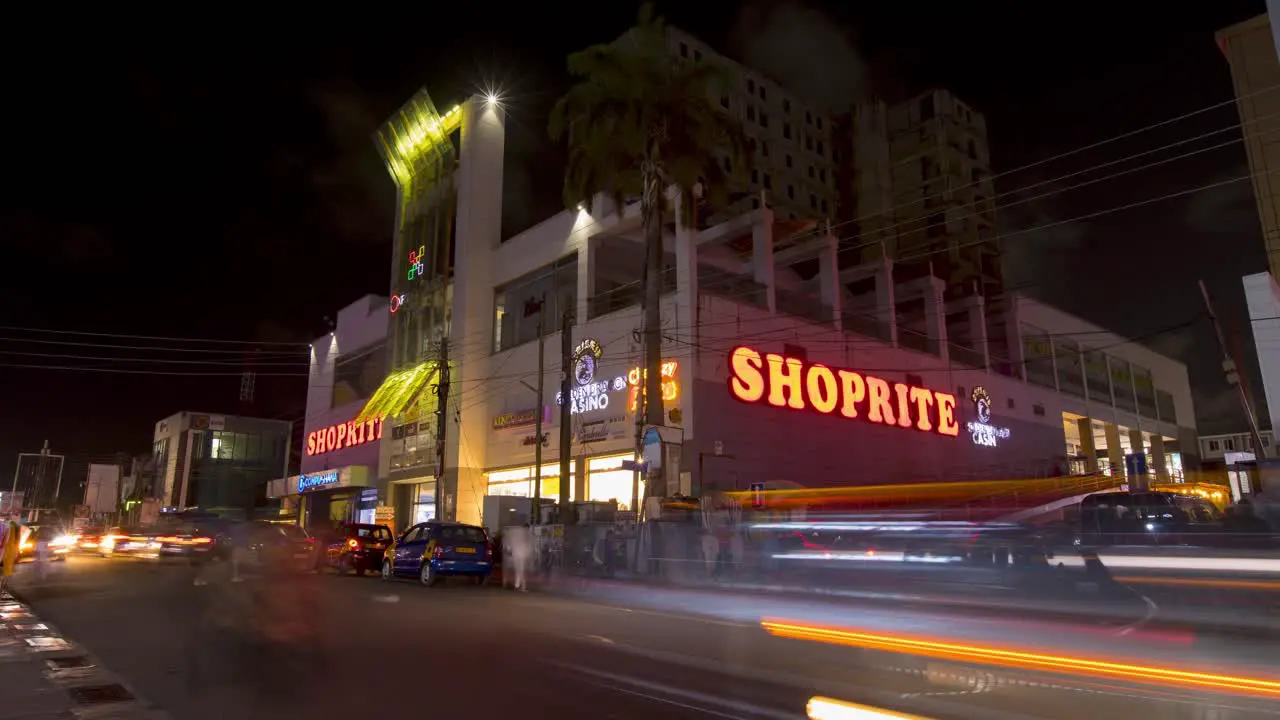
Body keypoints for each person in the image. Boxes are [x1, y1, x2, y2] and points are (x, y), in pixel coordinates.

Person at [1, 520, 21, 593]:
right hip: (7, 547)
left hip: (9, 547)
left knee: (7, 571)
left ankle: (2, 586)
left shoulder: (13, 524)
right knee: (7, 571)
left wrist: (16, 549)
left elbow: (17, 537)